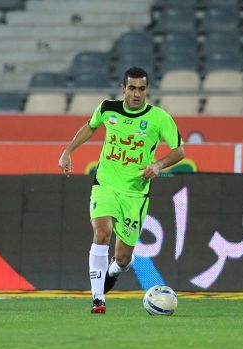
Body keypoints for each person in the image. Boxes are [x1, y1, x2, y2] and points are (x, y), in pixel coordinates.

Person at [58, 67, 185, 314]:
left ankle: (116, 268)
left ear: (147, 90)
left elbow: (179, 150)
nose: (137, 94)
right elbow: (90, 126)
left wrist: (158, 165)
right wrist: (68, 151)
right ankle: (98, 299)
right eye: (132, 88)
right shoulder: (108, 109)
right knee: (102, 232)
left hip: (135, 193)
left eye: (142, 89)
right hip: (105, 184)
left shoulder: (159, 118)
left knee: (124, 258)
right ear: (123, 89)